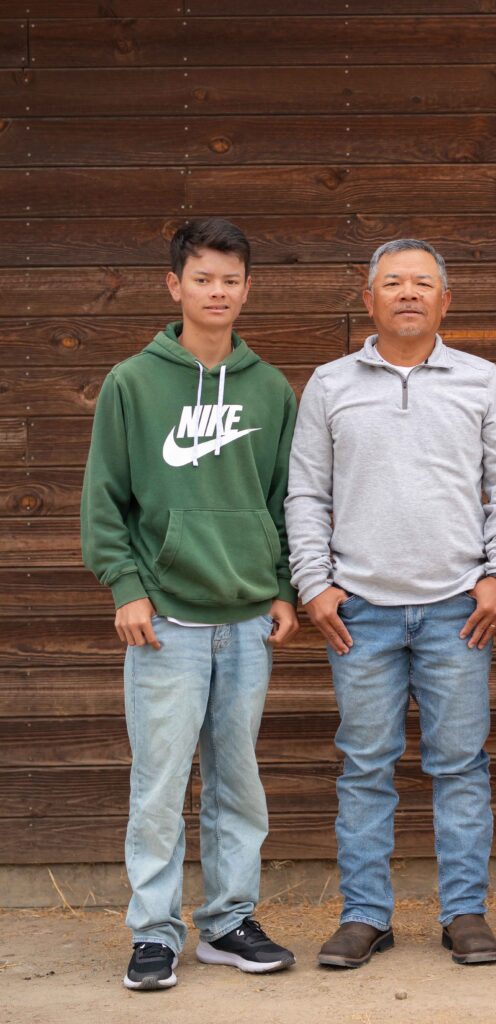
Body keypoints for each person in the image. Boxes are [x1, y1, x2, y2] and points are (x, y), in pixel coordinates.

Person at [285, 239, 496, 968]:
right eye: (393, 283)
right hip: (360, 614)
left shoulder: (481, 381)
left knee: (459, 765)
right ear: (369, 300)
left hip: (459, 610)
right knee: (363, 767)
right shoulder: (328, 384)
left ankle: (464, 914)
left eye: (423, 283)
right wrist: (313, 583)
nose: (409, 293)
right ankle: (365, 915)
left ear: (445, 302)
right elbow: (305, 493)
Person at [81, 218, 300, 991]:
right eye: (202, 277)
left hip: (244, 618)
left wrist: (280, 586)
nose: (217, 291)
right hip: (165, 622)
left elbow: (282, 501)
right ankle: (153, 932)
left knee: (238, 781)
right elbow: (105, 499)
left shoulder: (271, 389)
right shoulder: (132, 383)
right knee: (160, 782)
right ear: (175, 286)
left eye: (230, 279)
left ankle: (230, 922)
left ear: (247, 289)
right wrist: (126, 587)